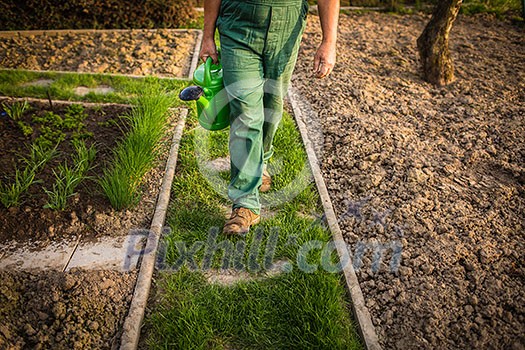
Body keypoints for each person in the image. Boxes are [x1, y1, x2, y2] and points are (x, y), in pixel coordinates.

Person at [200, 0, 339, 235]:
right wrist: (207, 36)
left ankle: (260, 161)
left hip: (287, 25)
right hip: (238, 23)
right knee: (245, 113)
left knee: (271, 108)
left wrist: (329, 42)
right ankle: (246, 204)